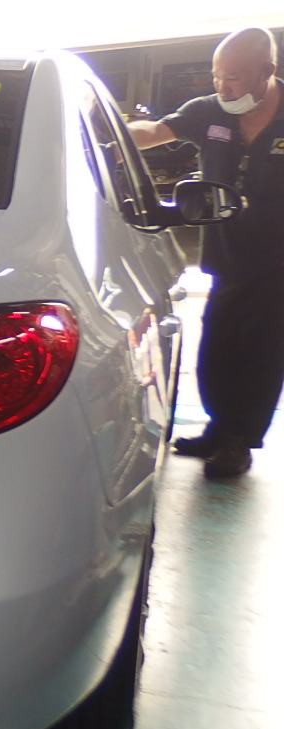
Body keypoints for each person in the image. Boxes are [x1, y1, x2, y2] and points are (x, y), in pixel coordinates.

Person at [128, 27, 284, 479]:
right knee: (217, 346)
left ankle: (239, 441)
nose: (223, 87)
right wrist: (112, 139)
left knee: (261, 353)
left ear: (267, 71)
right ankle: (218, 430)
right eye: (216, 76)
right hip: (226, 255)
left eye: (233, 77)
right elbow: (155, 131)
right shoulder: (208, 112)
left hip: (277, 262)